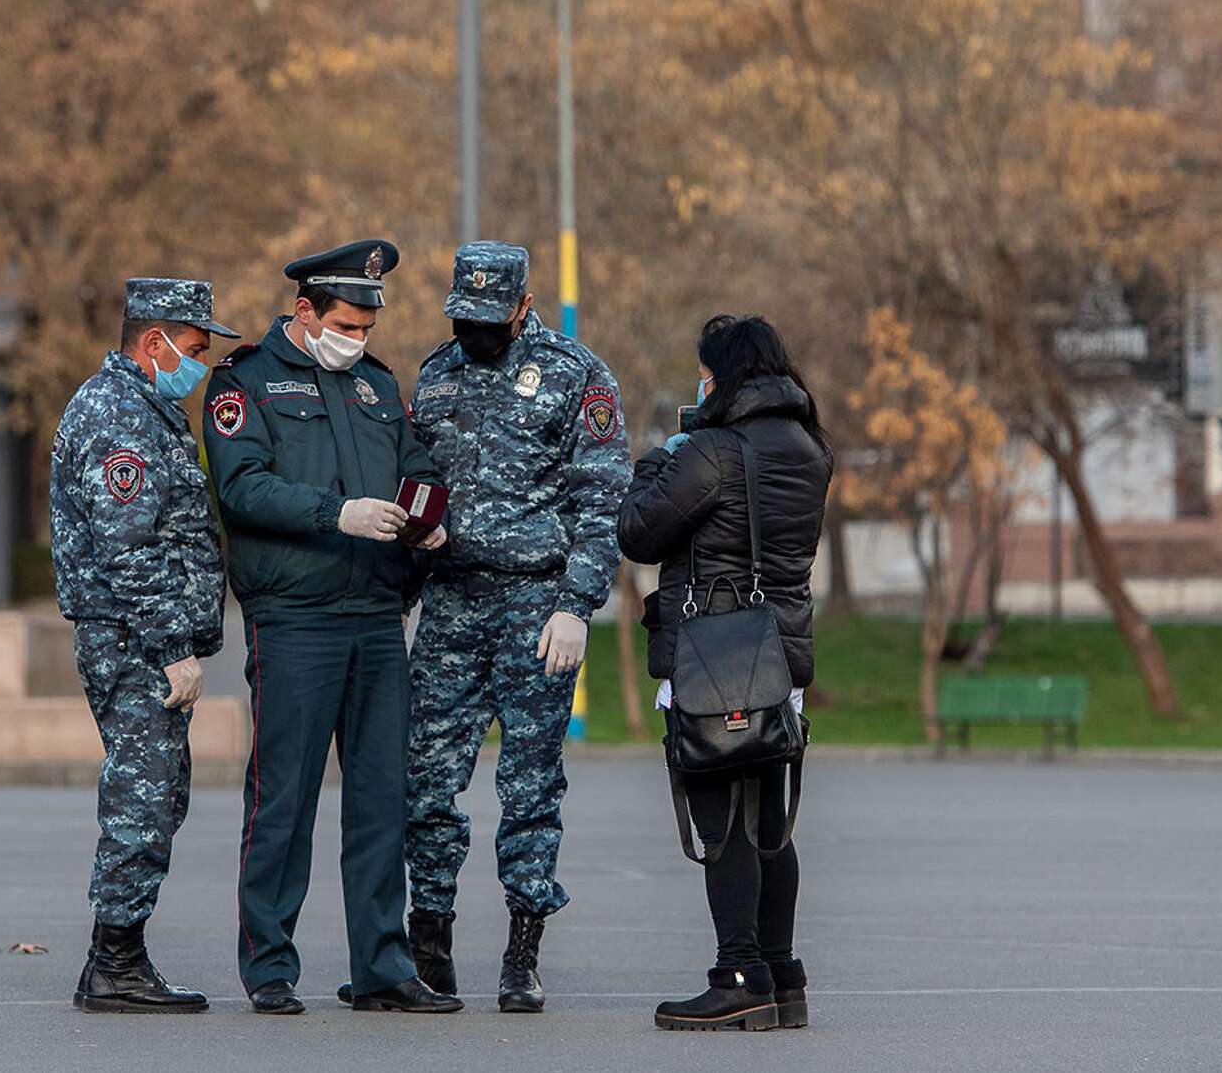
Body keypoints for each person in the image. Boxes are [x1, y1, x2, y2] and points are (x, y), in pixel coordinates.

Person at [203, 239, 462, 1016]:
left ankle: (382, 967)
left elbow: (419, 466)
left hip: (377, 615)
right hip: (296, 618)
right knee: (284, 798)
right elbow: (243, 486)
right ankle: (270, 966)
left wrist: (426, 519)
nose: (358, 340)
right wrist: (334, 513)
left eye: (367, 328)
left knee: (383, 800)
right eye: (346, 324)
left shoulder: (379, 386)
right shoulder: (244, 383)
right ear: (304, 311)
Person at [393, 241, 629, 1013]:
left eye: (491, 318)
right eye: (464, 317)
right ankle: (430, 946)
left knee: (529, 787)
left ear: (524, 307)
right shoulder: (437, 373)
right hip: (452, 602)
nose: (476, 330)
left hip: (537, 606)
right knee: (427, 780)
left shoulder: (577, 375)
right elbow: (418, 480)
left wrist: (577, 604)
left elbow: (603, 501)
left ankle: (522, 954)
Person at [616, 314, 833, 1032]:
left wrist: (658, 459)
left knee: (722, 822)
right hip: (782, 650)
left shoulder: (709, 450)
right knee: (770, 818)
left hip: (716, 656)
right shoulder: (809, 446)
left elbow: (639, 531)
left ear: (724, 375)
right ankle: (782, 973)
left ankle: (738, 975)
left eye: (704, 370)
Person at [50, 278, 240, 1013]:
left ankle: (119, 954)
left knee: (157, 794)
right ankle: (114, 963)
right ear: (153, 342)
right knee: (141, 798)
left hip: (140, 637)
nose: (199, 365)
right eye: (193, 349)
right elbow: (128, 544)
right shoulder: (119, 414)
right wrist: (170, 645)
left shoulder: (144, 409)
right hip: (133, 639)